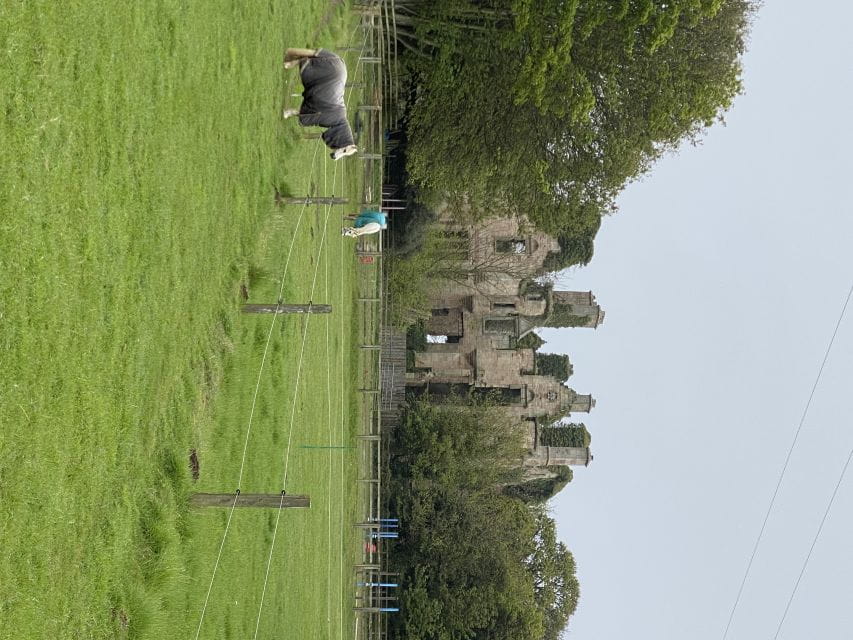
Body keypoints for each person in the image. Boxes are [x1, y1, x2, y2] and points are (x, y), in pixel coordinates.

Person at [282, 48, 358, 160]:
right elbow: (313, 114)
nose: (339, 153)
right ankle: (298, 60)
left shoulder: (339, 115)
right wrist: (292, 112)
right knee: (316, 106)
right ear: (343, 137)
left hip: (340, 69)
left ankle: (296, 59)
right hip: (334, 75)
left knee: (318, 103)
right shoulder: (335, 117)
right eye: (344, 151)